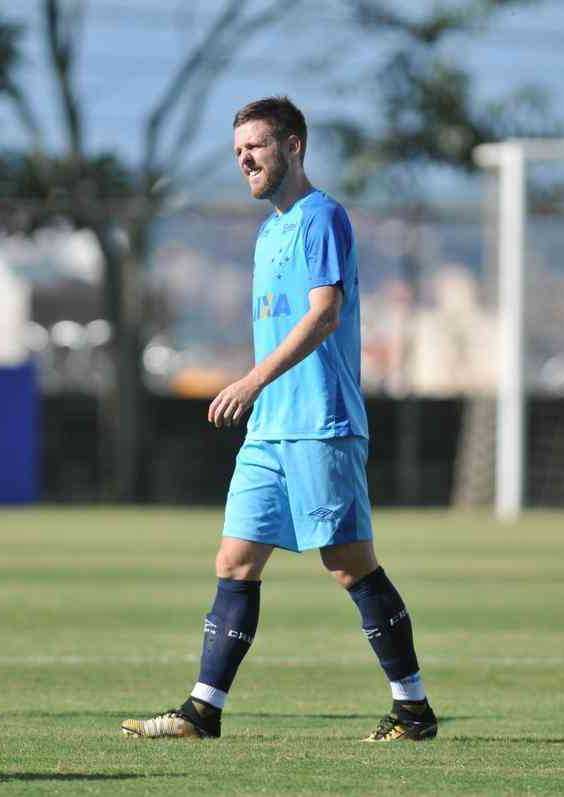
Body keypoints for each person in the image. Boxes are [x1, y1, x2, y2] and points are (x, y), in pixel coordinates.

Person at [121, 96, 436, 742]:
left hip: (321, 423)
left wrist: (253, 378)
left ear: (294, 146)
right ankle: (202, 710)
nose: (245, 161)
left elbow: (323, 313)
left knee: (350, 564)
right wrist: (259, 387)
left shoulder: (323, 218)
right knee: (235, 559)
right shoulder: (269, 233)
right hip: (269, 429)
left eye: (255, 148)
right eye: (238, 152)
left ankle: (414, 709)